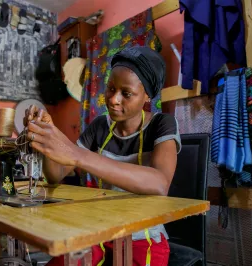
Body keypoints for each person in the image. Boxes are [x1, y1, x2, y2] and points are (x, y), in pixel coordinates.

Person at [23, 46, 181, 266]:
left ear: (147, 96)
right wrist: (48, 139)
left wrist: (78, 155)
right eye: (110, 89)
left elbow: (159, 183)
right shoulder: (100, 127)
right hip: (100, 230)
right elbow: (55, 176)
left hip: (142, 238)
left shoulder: (162, 124)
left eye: (126, 94)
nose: (114, 99)